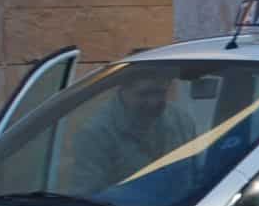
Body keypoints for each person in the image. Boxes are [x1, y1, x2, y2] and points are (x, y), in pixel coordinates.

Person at [69, 76, 197, 197]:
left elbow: (196, 176)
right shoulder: (96, 133)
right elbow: (89, 195)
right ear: (123, 90)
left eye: (160, 93)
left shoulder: (181, 121)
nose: (153, 102)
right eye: (144, 94)